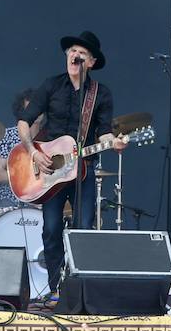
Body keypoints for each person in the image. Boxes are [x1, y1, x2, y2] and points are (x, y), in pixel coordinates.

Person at [15, 31, 124, 300]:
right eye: (72, 51)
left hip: (82, 170)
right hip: (51, 172)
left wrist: (114, 142)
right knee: (51, 228)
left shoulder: (100, 94)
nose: (74, 55)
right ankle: (55, 289)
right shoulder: (52, 86)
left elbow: (104, 132)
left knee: (83, 228)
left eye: (82, 53)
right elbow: (24, 121)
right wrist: (33, 152)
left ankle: (79, 290)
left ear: (91, 62)